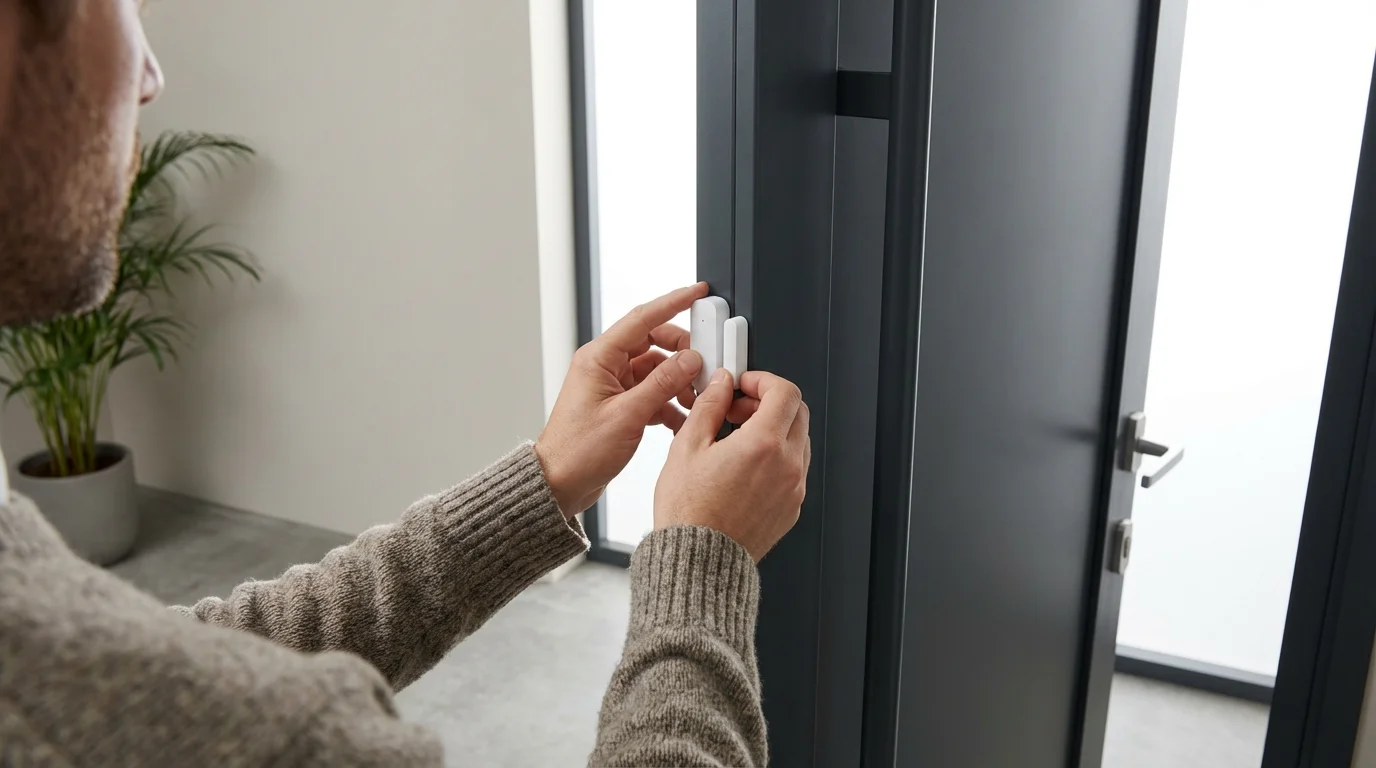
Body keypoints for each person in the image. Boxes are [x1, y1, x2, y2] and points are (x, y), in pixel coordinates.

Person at [0, 2, 811, 766]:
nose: (150, 76)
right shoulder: (281, 738)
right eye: (122, 8)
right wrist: (704, 564)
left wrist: (541, 482)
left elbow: (178, 668)